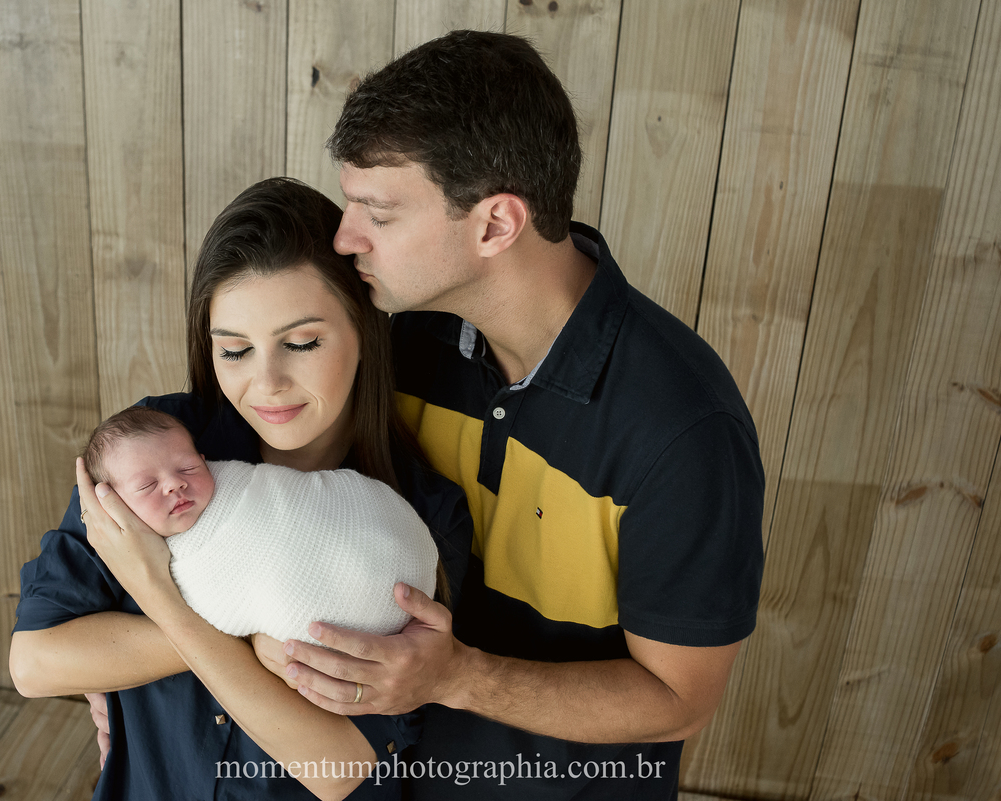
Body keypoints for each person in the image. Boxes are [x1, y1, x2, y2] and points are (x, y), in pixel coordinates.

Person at [268, 31, 766, 799]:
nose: (344, 236)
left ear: (496, 224)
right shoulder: (398, 339)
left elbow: (679, 699)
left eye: (379, 213)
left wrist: (456, 677)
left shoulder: (683, 432)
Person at [9, 177, 473, 801]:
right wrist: (251, 642)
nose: (267, 382)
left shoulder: (419, 518)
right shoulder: (153, 453)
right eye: (234, 351)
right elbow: (35, 664)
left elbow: (338, 770)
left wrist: (157, 596)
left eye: (302, 343)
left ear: (365, 329)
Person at [78, 404, 440, 644]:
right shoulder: (121, 553)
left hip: (393, 563)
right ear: (111, 506)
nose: (175, 484)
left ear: (204, 459)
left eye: (188, 467)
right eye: (147, 486)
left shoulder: (235, 480)